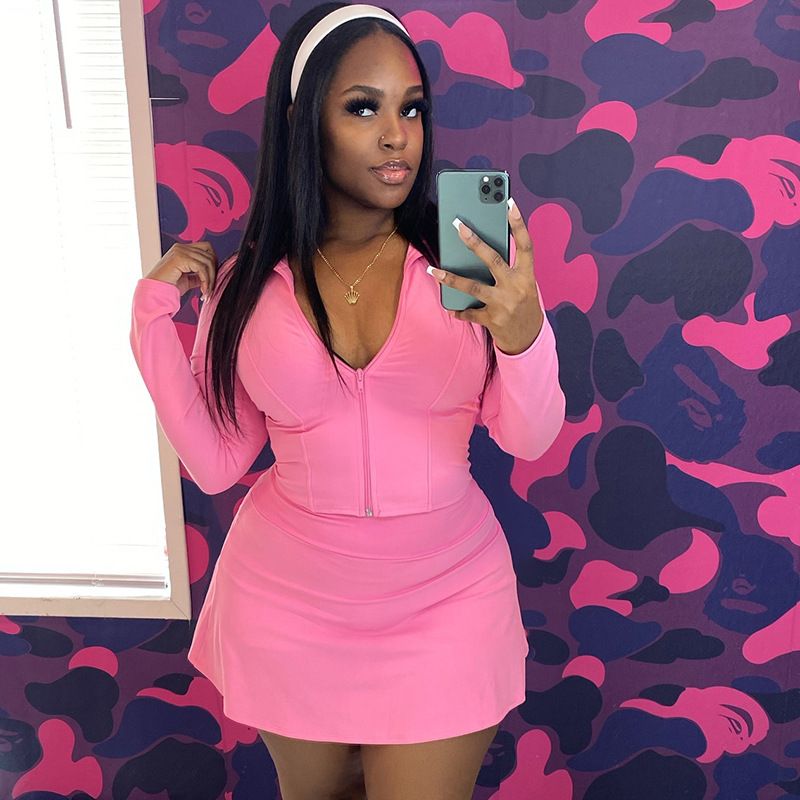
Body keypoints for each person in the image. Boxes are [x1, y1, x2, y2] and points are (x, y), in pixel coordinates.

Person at [129, 3, 566, 798]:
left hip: (447, 598)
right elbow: (218, 462)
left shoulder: (470, 259)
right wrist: (150, 319)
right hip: (287, 603)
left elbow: (529, 437)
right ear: (305, 122)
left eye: (412, 109)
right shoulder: (247, 285)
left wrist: (523, 333)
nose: (398, 135)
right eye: (364, 108)